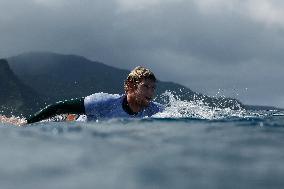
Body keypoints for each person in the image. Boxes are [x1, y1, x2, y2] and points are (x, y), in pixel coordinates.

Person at [26, 66, 164, 124]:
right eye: (145, 87)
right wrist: (26, 122)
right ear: (130, 86)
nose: (150, 92)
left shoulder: (154, 109)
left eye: (153, 88)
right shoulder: (104, 102)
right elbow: (59, 107)